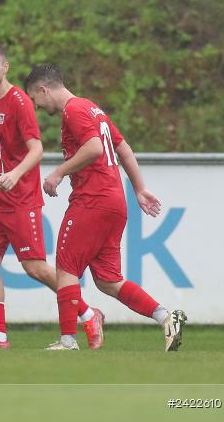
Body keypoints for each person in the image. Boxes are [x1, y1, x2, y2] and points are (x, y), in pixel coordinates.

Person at [24, 64, 186, 352]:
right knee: (108, 281)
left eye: (35, 100)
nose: (37, 106)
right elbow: (121, 148)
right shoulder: (93, 109)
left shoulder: (73, 111)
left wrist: (59, 172)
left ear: (43, 90)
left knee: (66, 268)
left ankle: (67, 341)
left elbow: (95, 148)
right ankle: (166, 317)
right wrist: (138, 188)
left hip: (92, 200)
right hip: (114, 202)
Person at [0, 44, 104, 350]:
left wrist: (15, 175)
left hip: (21, 200)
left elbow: (36, 149)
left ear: (5, 68)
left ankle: (88, 313)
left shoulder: (20, 102)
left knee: (35, 268)